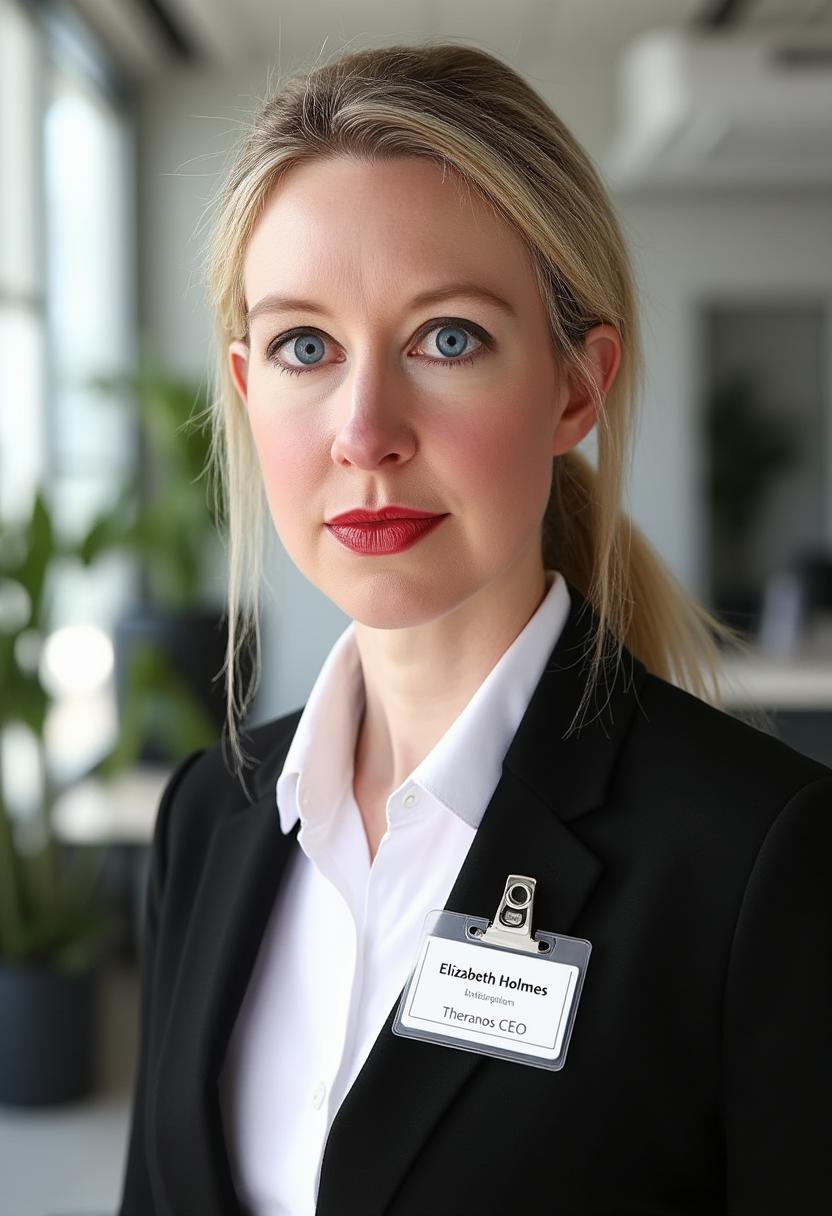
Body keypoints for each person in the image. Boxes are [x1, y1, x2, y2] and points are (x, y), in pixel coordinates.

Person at [117, 42, 831, 1216]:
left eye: (446, 337)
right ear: (247, 391)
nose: (364, 430)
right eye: (306, 346)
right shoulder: (212, 814)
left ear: (573, 390)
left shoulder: (753, 862)